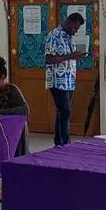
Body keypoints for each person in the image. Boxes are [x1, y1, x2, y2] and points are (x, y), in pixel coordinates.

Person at [45, 12, 85, 146]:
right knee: (65, 111)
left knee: (62, 112)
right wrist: (70, 56)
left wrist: (76, 56)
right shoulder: (54, 36)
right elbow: (49, 59)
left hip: (69, 80)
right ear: (68, 22)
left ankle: (59, 142)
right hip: (57, 80)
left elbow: (70, 56)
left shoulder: (69, 37)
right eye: (75, 28)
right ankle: (66, 143)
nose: (76, 31)